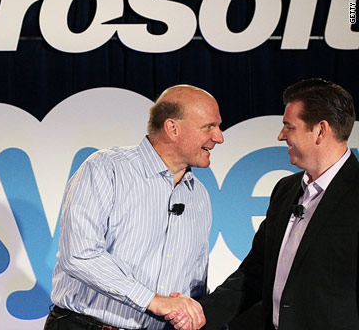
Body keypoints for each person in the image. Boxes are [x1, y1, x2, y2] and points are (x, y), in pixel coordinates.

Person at [170, 79, 358, 330]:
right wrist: (202, 314)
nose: (281, 136)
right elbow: (254, 274)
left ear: (321, 131)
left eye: (288, 127)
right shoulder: (285, 190)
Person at [44, 85, 224, 330]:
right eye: (209, 127)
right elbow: (79, 255)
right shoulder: (106, 168)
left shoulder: (199, 195)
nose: (219, 137)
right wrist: (152, 301)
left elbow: (194, 285)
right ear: (173, 128)